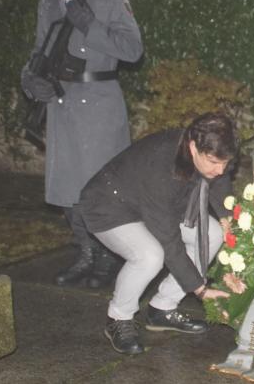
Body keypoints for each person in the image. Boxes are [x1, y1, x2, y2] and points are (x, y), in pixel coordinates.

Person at [19, 0, 143, 288]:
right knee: (66, 187)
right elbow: (39, 50)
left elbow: (133, 51)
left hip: (99, 104)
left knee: (98, 187)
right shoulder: (48, 3)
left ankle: (108, 257)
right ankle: (86, 253)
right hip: (62, 104)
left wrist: (90, 25)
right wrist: (30, 81)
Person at [77, 112, 235, 354]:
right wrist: (200, 289)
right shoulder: (162, 165)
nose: (220, 169)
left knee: (213, 234)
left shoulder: (218, 149)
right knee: (149, 255)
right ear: (193, 147)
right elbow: (169, 241)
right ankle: (118, 318)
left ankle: (162, 309)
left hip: (162, 203)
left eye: (224, 162)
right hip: (110, 205)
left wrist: (225, 215)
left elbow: (220, 180)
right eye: (213, 162)